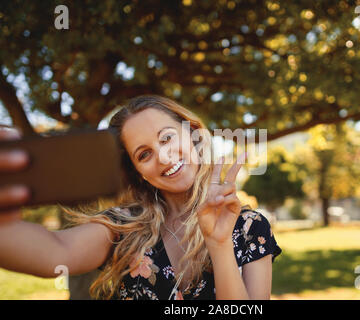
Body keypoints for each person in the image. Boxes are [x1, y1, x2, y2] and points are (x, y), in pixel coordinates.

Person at [0, 95, 281, 300]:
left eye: (167, 138)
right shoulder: (125, 228)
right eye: (143, 154)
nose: (162, 156)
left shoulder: (249, 227)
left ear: (193, 134)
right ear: (137, 173)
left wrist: (219, 245)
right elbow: (56, 252)